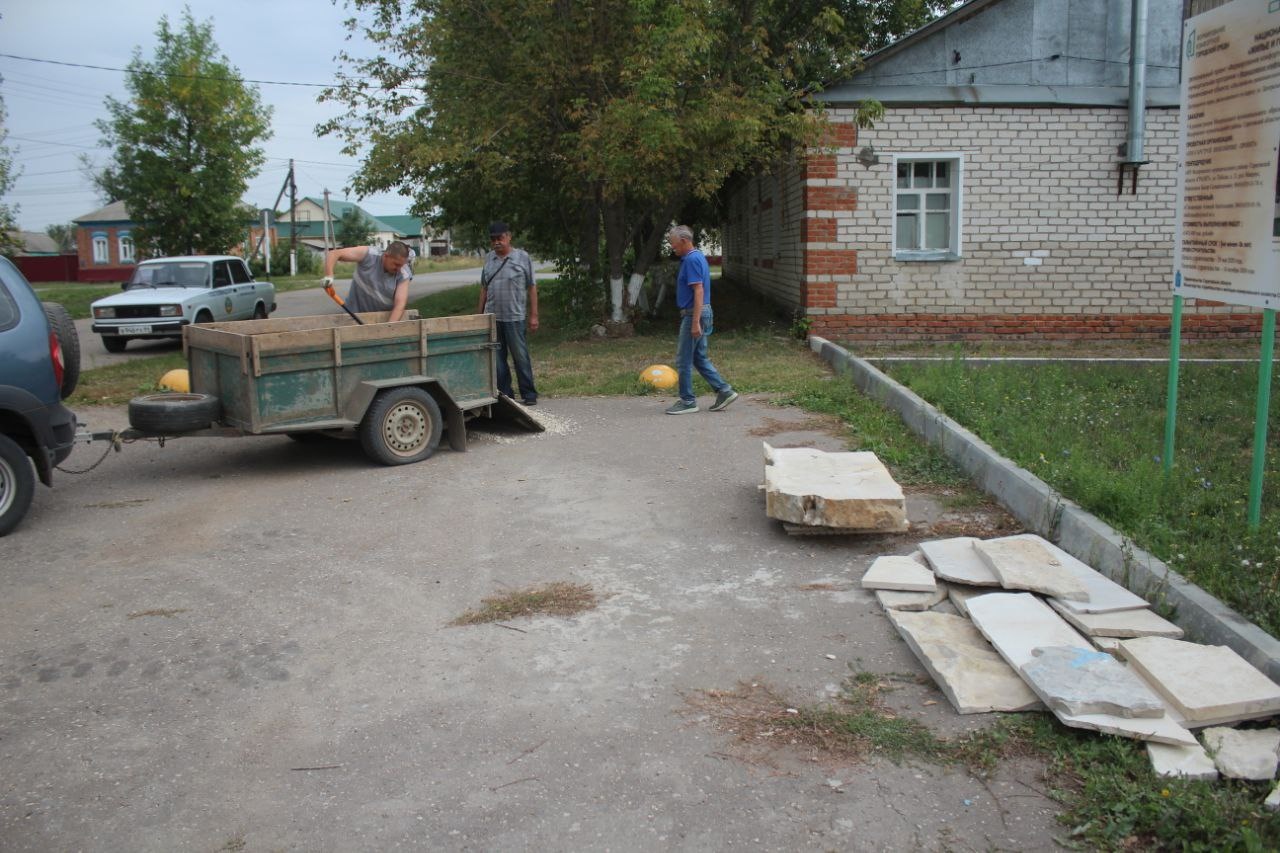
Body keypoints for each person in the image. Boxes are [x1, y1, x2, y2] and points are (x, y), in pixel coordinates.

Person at [665, 225, 737, 415]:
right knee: (698, 358)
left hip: (693, 314)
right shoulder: (696, 257)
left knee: (683, 360)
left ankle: (688, 401)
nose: (672, 248)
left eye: (673, 244)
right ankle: (724, 390)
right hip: (699, 312)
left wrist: (695, 321)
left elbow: (699, 291)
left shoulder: (692, 260)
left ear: (683, 241)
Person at [477, 221, 539, 405]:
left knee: (520, 357)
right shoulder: (489, 259)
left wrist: (534, 315)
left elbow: (532, 287)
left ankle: (529, 394)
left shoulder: (522, 257)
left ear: (509, 237)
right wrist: (478, 315)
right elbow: (484, 289)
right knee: (497, 361)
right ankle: (506, 396)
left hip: (515, 317)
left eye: (500, 238)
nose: (497, 242)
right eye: (493, 239)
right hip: (493, 318)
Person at [321, 241, 413, 321]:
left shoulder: (403, 274)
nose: (399, 269)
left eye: (401, 265)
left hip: (381, 320)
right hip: (351, 316)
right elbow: (333, 254)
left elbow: (400, 304)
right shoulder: (369, 254)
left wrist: (388, 328)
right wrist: (329, 277)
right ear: (386, 256)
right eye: (396, 264)